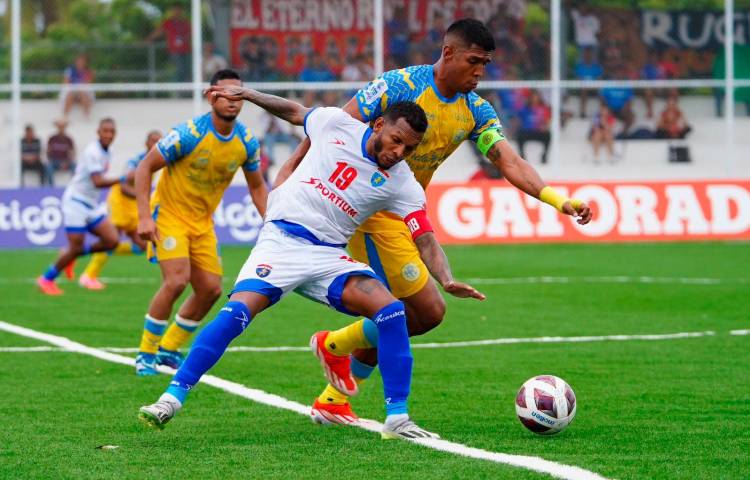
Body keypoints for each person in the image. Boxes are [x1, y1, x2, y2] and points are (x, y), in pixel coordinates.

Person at [273, 19, 592, 425]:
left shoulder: (475, 110)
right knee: (423, 310)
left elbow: (508, 160)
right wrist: (290, 169)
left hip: (400, 212)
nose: (479, 72)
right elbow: (331, 126)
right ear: (448, 53)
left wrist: (557, 200)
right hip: (367, 209)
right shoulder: (399, 85)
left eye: (485, 64)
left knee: (412, 314)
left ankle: (334, 383)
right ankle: (347, 370)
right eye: (474, 61)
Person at [139, 88, 484, 439]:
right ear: (379, 124)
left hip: (329, 256)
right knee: (236, 315)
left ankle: (397, 418)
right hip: (281, 244)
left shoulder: (402, 183)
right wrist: (246, 93)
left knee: (392, 311)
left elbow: (424, 237)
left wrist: (446, 279)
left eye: (409, 148)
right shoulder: (337, 125)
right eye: (396, 140)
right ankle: (171, 399)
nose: (399, 153)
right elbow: (292, 110)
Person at [132, 69, 268, 376]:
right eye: (226, 94)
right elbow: (145, 168)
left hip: (202, 222)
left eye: (239, 95)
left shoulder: (246, 141)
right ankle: (145, 353)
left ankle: (168, 348)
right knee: (177, 281)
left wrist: (272, 220)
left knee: (210, 289)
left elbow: (257, 186)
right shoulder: (190, 133)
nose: (233, 101)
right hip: (168, 216)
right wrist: (143, 216)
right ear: (211, 95)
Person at [36, 118, 122, 295]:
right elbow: (98, 182)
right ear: (98, 132)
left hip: (91, 204)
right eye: (105, 131)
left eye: (112, 131)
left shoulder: (109, 150)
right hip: (75, 202)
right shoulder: (92, 151)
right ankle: (46, 279)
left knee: (112, 241)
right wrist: (123, 179)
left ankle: (71, 255)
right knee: (75, 246)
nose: (108, 134)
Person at [78, 130, 163, 290]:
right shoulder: (136, 162)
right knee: (112, 238)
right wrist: (147, 198)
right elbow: (124, 187)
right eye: (153, 141)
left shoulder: (159, 161)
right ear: (146, 143)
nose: (156, 144)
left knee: (142, 246)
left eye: (159, 141)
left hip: (134, 205)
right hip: (119, 202)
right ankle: (88, 275)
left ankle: (89, 255)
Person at [148, 5, 191, 82]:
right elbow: (158, 32)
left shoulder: (185, 23)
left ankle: (184, 90)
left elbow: (191, 34)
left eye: (178, 11)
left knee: (185, 71)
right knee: (179, 70)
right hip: (174, 51)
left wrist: (185, 39)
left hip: (186, 51)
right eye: (174, 11)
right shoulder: (168, 23)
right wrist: (147, 40)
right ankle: (178, 90)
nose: (176, 13)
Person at [516, 90, 551, 164]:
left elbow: (547, 121)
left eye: (536, 97)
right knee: (519, 135)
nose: (535, 99)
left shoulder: (544, 108)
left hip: (538, 132)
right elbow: (518, 119)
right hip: (527, 132)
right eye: (533, 97)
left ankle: (544, 156)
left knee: (548, 134)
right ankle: (522, 156)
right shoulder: (525, 108)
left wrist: (544, 126)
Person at [62, 54, 94, 119]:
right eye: (79, 61)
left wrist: (79, 87)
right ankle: (65, 116)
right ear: (75, 61)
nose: (80, 63)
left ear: (86, 63)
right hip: (72, 89)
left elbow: (88, 82)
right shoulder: (70, 70)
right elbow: (66, 82)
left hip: (82, 90)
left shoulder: (89, 71)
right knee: (70, 95)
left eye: (83, 61)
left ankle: (86, 115)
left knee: (83, 93)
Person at [574, 48, 603, 118]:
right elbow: (578, 79)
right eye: (586, 54)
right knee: (584, 90)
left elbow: (599, 79)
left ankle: (602, 112)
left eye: (589, 54)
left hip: (594, 87)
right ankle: (582, 112)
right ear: (583, 55)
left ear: (592, 56)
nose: (587, 56)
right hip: (583, 87)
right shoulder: (579, 67)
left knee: (602, 92)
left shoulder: (597, 67)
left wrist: (594, 84)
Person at [47, 119, 76, 183]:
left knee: (75, 166)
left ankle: (73, 185)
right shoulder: (52, 138)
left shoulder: (68, 139)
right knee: (48, 167)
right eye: (60, 126)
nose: (61, 128)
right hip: (54, 161)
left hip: (66, 161)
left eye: (62, 126)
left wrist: (67, 161)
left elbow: (72, 152)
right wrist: (51, 159)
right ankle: (51, 187)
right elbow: (48, 152)